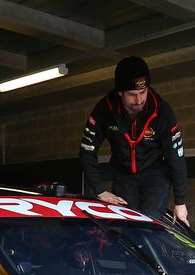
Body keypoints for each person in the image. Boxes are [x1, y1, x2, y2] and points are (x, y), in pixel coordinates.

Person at [79, 57, 189, 224]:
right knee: (126, 226)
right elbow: (86, 151)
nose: (139, 100)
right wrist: (100, 190)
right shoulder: (104, 110)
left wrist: (180, 202)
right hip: (124, 176)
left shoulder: (162, 112)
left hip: (155, 175)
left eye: (142, 93)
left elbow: (177, 156)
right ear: (120, 92)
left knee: (149, 223)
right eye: (132, 95)